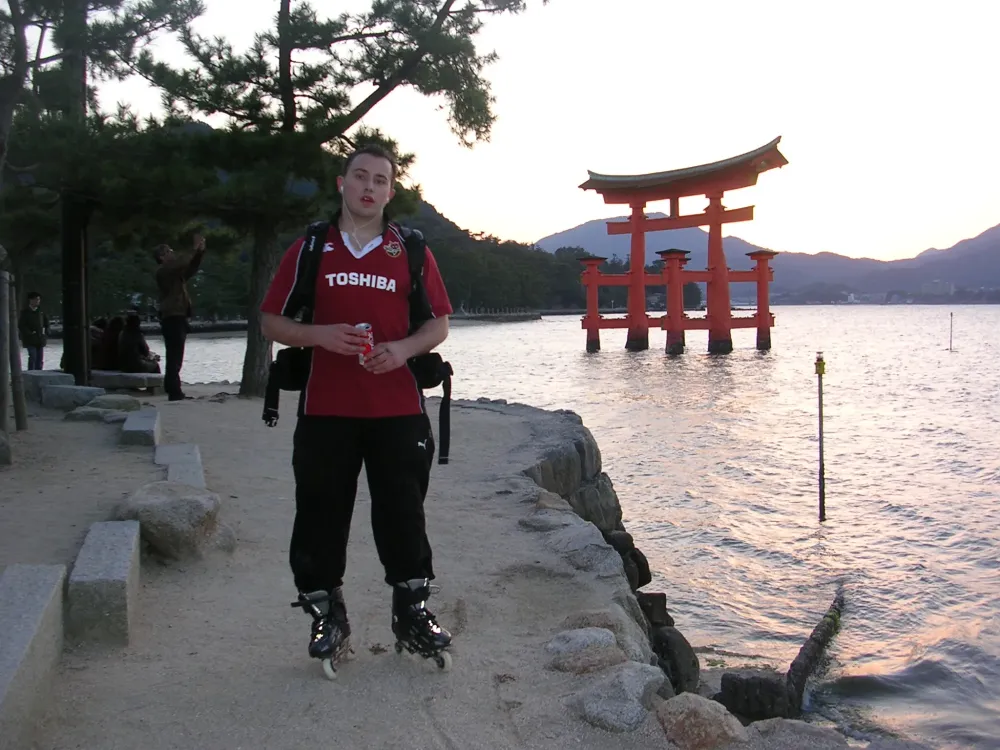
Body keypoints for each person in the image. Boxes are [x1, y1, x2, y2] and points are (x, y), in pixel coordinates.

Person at [259, 145, 454, 673]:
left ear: (391, 191)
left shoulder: (410, 249)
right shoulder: (311, 247)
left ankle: (411, 612)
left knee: (404, 513)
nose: (369, 187)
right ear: (341, 183)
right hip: (326, 409)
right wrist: (320, 335)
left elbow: (437, 323)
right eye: (360, 177)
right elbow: (271, 322)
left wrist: (403, 350)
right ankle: (327, 615)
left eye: (380, 180)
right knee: (320, 513)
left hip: (398, 408)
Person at [154, 233, 206, 401]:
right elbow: (182, 262)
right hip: (172, 317)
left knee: (176, 355)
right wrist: (194, 249)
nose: (172, 253)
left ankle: (173, 389)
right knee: (174, 356)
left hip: (178, 316)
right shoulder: (163, 272)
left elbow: (190, 268)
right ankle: (174, 391)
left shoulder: (174, 274)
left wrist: (199, 253)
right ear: (162, 257)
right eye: (168, 251)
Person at [18, 292, 49, 370]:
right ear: (30, 300)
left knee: (40, 359)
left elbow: (46, 323)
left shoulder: (41, 312)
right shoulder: (25, 312)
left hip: (40, 339)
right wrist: (29, 333)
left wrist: (46, 333)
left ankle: (39, 373)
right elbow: (21, 325)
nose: (37, 301)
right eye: (36, 299)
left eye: (38, 299)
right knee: (33, 357)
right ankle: (31, 373)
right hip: (30, 340)